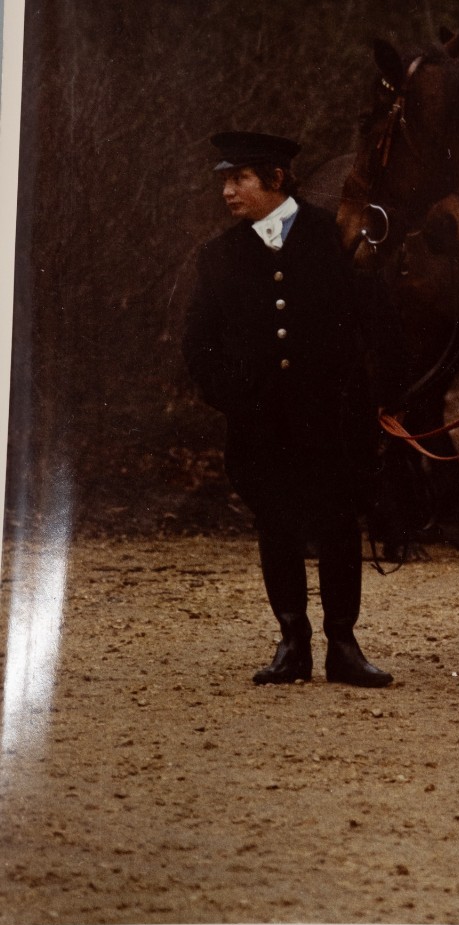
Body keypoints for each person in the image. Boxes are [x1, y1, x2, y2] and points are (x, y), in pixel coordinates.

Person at [182, 130, 395, 688]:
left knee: (338, 527)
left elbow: (378, 328)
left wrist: (365, 397)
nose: (228, 191)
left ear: (276, 180)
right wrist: (235, 397)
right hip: (262, 425)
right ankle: (292, 643)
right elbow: (199, 345)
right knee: (275, 525)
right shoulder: (219, 256)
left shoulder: (336, 240)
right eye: (225, 181)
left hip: (333, 419)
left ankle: (343, 646)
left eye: (239, 179)